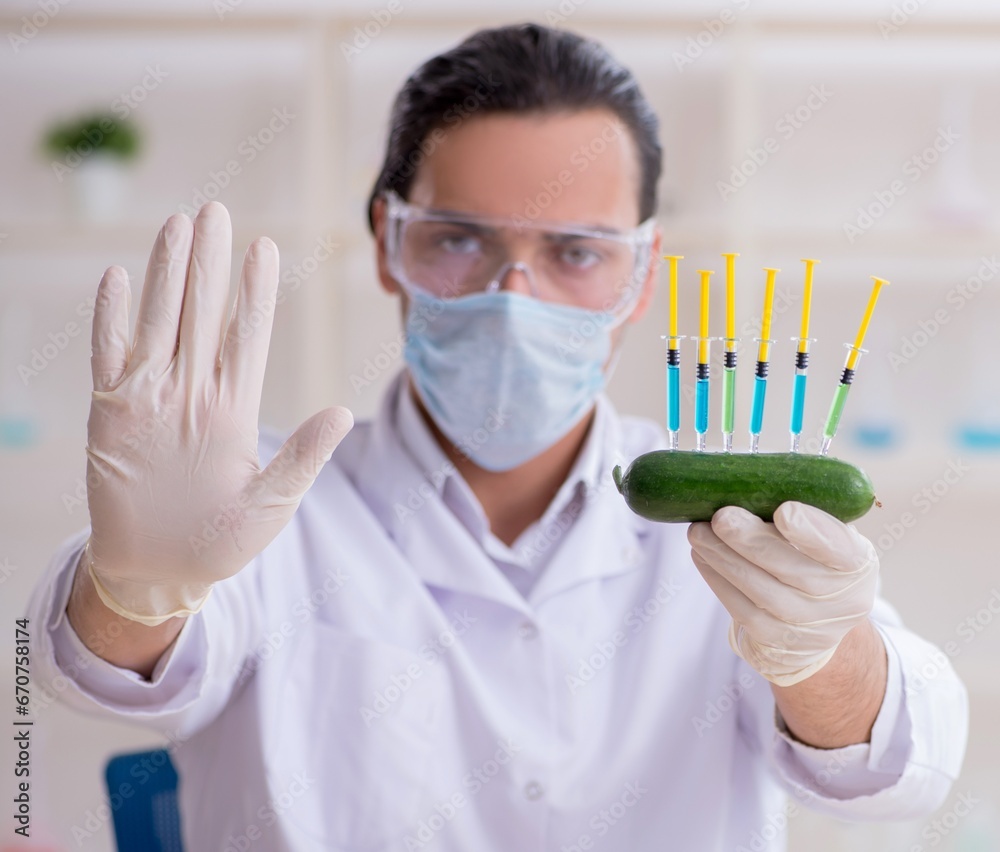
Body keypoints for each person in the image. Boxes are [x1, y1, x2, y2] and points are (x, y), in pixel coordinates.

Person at [27, 22, 967, 852]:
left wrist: (822, 650)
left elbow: (899, 770)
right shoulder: (258, 505)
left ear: (642, 277)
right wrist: (135, 587)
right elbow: (97, 676)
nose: (516, 296)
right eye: (459, 239)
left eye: (576, 251)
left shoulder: (734, 512)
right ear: (388, 242)